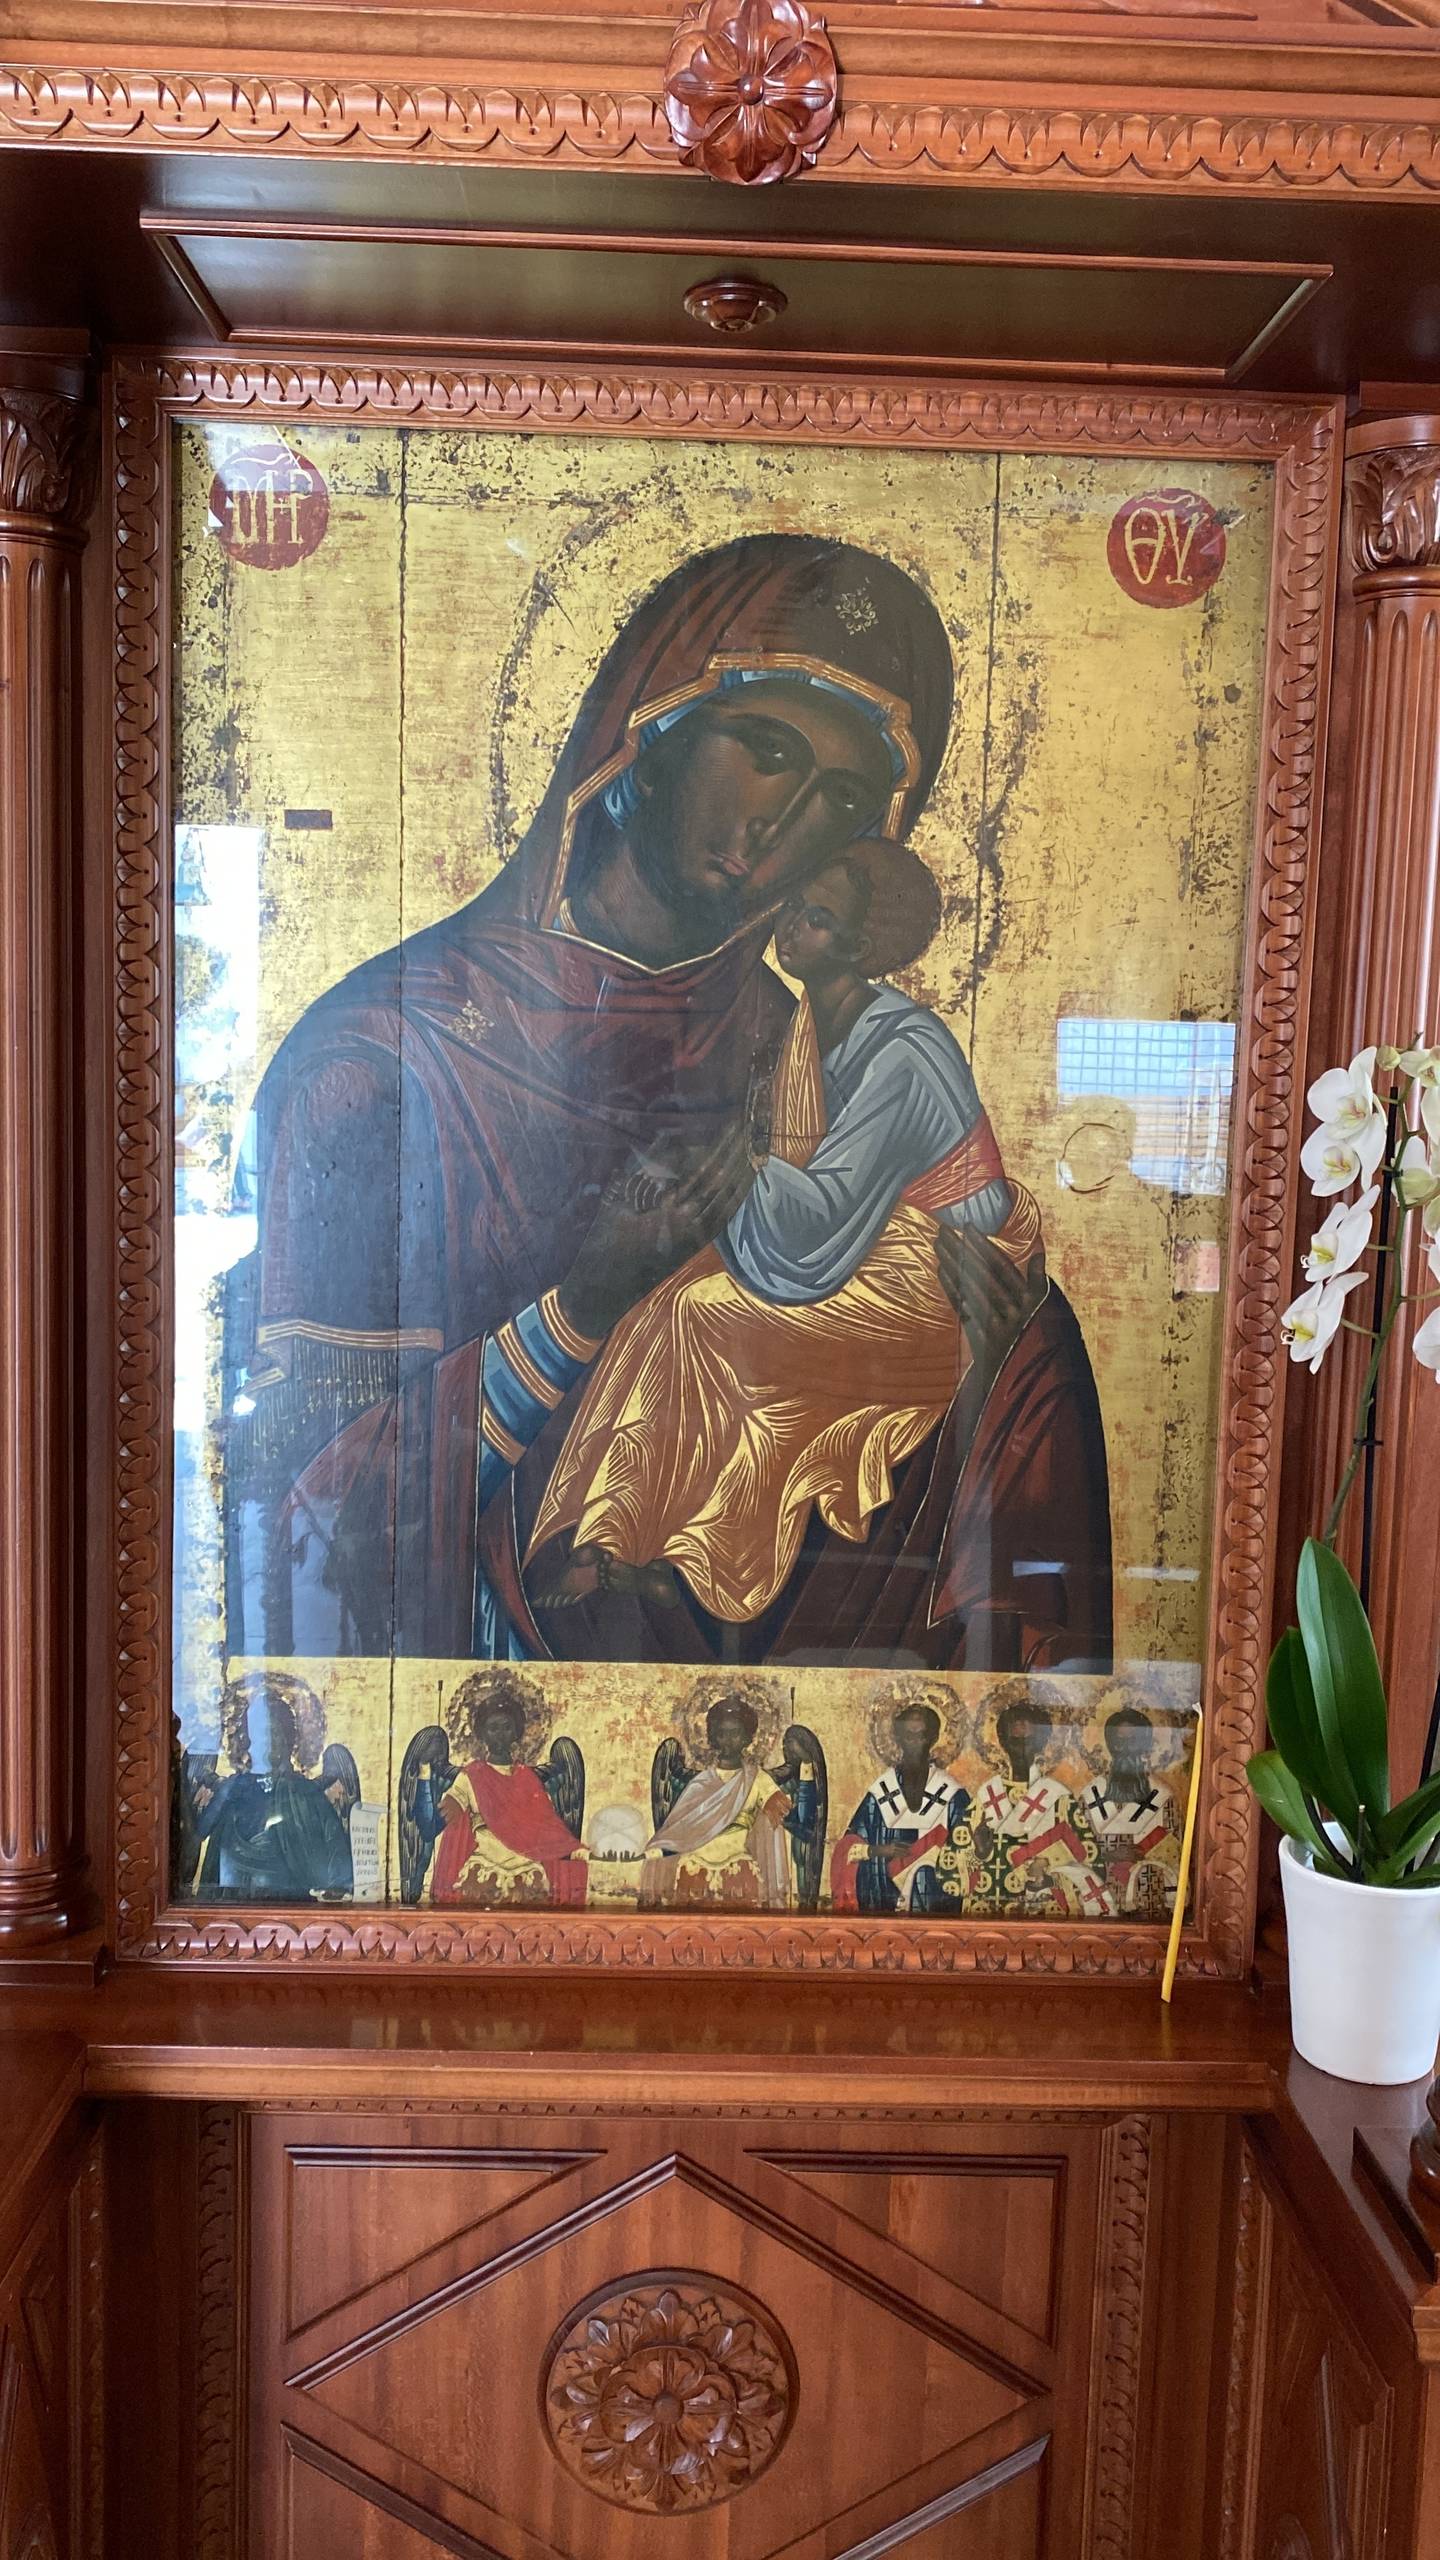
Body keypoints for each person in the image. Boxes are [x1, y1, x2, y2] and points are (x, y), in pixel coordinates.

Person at [226, 533, 1112, 1673]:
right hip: (504, 1693)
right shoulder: (384, 1062)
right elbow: (302, 1527)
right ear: (644, 736)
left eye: (844, 798)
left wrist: (995, 1339)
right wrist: (579, 1309)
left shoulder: (807, 1047)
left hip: (790, 1673)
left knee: (1040, 1351)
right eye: (769, 751)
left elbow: (869, 1310)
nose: (790, 823)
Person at [527, 841, 1044, 1624]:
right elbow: (780, 1169)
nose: (792, 926)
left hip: (935, 1273)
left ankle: (698, 1555)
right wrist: (688, 1169)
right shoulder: (810, 1024)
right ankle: (614, 1534)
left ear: (861, 947)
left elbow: (824, 1216)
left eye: (818, 918)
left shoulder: (905, 1052)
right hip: (862, 1241)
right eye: (797, 905)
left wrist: (720, 1172)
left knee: (705, 1314)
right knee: (661, 1300)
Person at [429, 1670, 587, 1907]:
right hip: (485, 1868)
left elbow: (546, 1825)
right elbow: (444, 1814)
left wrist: (573, 1849)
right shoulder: (471, 1776)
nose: (500, 1735)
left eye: (506, 1727)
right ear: (482, 1733)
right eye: (493, 1728)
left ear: (516, 1732)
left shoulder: (528, 1778)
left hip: (526, 1869)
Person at [191, 1680, 352, 1902]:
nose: (265, 1742)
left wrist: (338, 1884)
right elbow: (197, 1833)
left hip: (291, 1907)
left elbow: (335, 1850)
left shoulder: (307, 1794)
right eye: (257, 1734)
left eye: (273, 1732)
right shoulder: (233, 1789)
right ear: (247, 1741)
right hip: (231, 1904)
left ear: (288, 1739)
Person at [640, 1693, 797, 1909]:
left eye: (735, 1733)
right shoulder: (700, 1783)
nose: (728, 1740)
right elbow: (679, 1832)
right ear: (713, 1737)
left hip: (738, 1871)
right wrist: (656, 1850)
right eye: (722, 1734)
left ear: (747, 1738)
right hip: (694, 1870)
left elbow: (785, 1816)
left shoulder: (758, 1780)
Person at [966, 1692, 1108, 1919]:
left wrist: (1049, 1873)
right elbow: (949, 1871)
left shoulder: (1058, 1797)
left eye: (1028, 1740)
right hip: (992, 1914)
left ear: (1041, 1743)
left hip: (1048, 1912)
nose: (1022, 1748)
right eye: (1015, 1741)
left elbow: (1091, 1863)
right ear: (1003, 1742)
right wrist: (980, 1852)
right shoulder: (986, 1795)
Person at [831, 1699, 973, 1915]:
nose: (915, 1743)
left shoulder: (952, 1794)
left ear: (933, 1738)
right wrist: (879, 1850)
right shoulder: (881, 1792)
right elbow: (848, 1848)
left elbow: (968, 1851)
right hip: (883, 1907)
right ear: (897, 1739)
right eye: (908, 1736)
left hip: (936, 1911)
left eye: (921, 1736)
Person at [1078, 1705, 1184, 1916]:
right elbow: (1076, 1850)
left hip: (1149, 1901)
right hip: (1102, 1902)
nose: (1125, 1749)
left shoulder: (1163, 1797)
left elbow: (1178, 1854)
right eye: (1119, 1742)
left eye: (1133, 1741)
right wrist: (1107, 1855)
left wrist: (1143, 1854)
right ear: (1110, 1746)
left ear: (1144, 1745)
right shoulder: (1090, 1796)